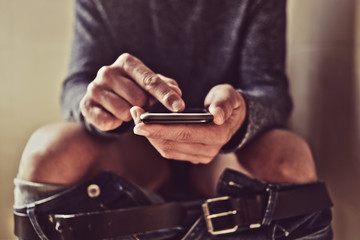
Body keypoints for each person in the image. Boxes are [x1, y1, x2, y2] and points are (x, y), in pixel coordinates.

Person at [14, 0, 333, 239]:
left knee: (290, 159)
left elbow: (271, 89)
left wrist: (241, 113)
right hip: (131, 150)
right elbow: (78, 85)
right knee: (48, 152)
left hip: (223, 156)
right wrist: (96, 106)